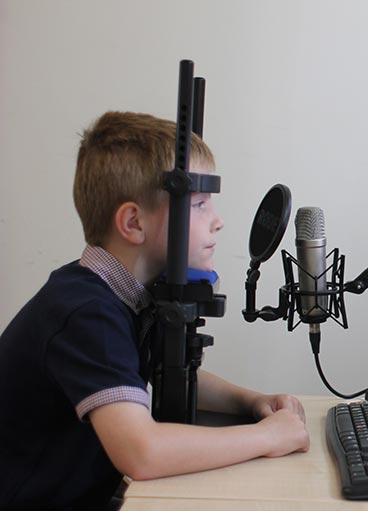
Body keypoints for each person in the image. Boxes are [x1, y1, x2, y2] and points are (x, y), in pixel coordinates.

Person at [0, 111, 311, 510]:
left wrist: (252, 402)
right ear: (133, 222)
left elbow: (166, 374)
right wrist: (268, 438)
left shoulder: (124, 296)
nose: (217, 221)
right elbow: (142, 452)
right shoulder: (85, 314)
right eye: (199, 204)